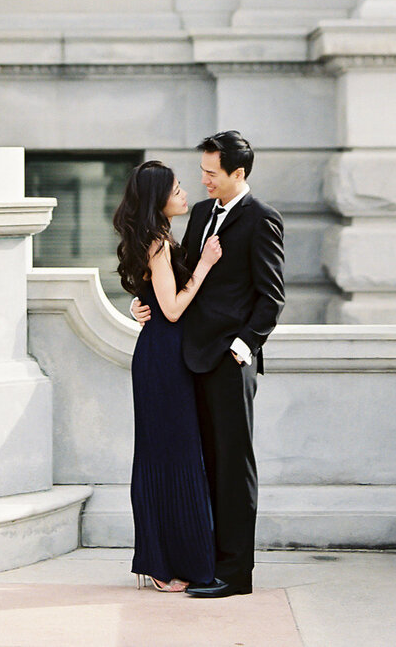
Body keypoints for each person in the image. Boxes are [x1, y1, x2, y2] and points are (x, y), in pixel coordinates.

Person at [132, 130, 285, 599]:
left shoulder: (262, 220)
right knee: (199, 467)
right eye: (200, 171)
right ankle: (203, 563)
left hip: (228, 361)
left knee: (234, 468)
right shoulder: (199, 214)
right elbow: (171, 277)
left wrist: (243, 349)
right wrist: (143, 306)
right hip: (183, 360)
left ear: (238, 173)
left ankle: (235, 576)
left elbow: (272, 297)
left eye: (211, 173)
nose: (202, 181)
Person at [113, 159, 223, 592]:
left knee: (171, 455)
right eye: (176, 189)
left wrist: (141, 306)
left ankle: (164, 560)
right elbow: (173, 308)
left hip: (162, 354)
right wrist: (206, 265)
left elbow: (153, 301)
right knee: (167, 457)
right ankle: (160, 567)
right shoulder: (158, 242)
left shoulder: (158, 237)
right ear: (159, 199)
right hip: (162, 359)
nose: (184, 194)